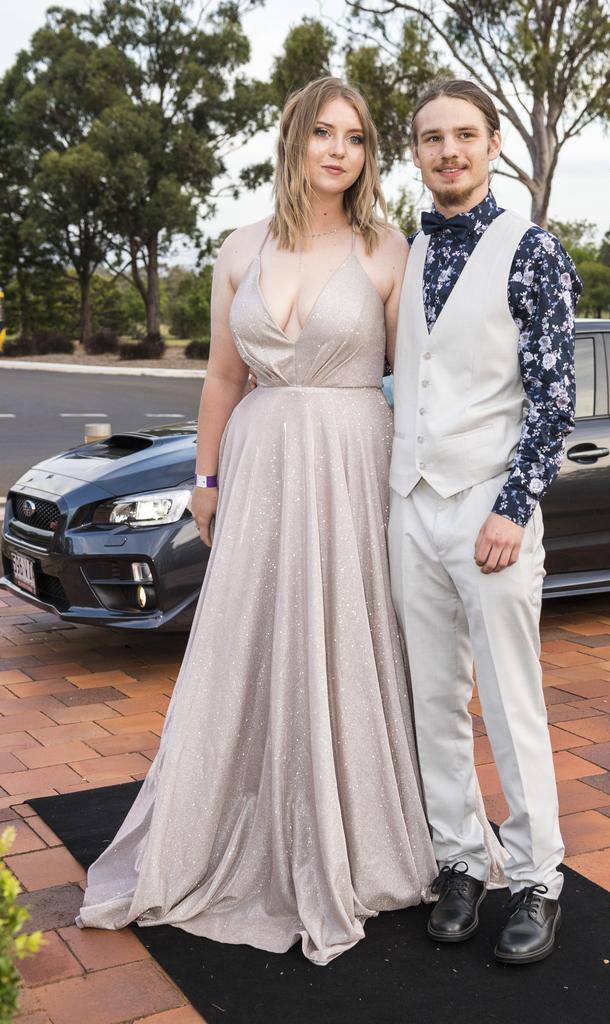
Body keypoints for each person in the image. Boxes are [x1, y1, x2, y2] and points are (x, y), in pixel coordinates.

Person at [76, 77, 505, 966]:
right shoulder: (239, 248)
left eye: (354, 137)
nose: (339, 150)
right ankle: (242, 819)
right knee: (251, 638)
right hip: (262, 463)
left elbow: (432, 375)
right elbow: (224, 379)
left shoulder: (390, 248)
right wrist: (205, 473)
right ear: (295, 143)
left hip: (354, 462)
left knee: (356, 638)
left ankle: (364, 827)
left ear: (367, 154)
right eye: (323, 134)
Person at [388, 78, 583, 964]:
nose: (448, 151)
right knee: (432, 697)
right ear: (417, 153)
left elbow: (553, 402)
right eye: (432, 139)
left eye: (464, 135)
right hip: (412, 506)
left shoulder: (532, 250)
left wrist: (513, 508)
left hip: (489, 507)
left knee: (511, 701)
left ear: (494, 143)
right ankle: (463, 860)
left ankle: (539, 877)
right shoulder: (407, 252)